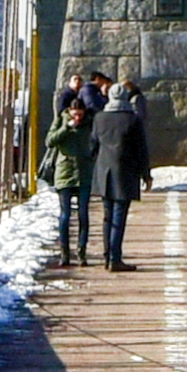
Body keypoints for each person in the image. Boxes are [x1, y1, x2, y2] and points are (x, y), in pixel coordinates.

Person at [91, 67, 156, 265]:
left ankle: (106, 256)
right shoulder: (133, 119)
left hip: (104, 172)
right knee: (119, 216)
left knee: (107, 216)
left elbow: (92, 146)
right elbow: (141, 149)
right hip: (125, 172)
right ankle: (115, 258)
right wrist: (146, 174)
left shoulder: (99, 118)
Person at [50, 68, 111, 262]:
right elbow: (50, 141)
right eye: (74, 114)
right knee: (66, 215)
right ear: (69, 112)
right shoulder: (61, 121)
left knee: (84, 215)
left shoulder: (90, 124)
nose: (77, 118)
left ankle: (82, 252)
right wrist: (67, 129)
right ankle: (64, 252)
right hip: (65, 173)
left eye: (80, 114)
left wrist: (92, 157)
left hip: (84, 173)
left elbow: (98, 142)